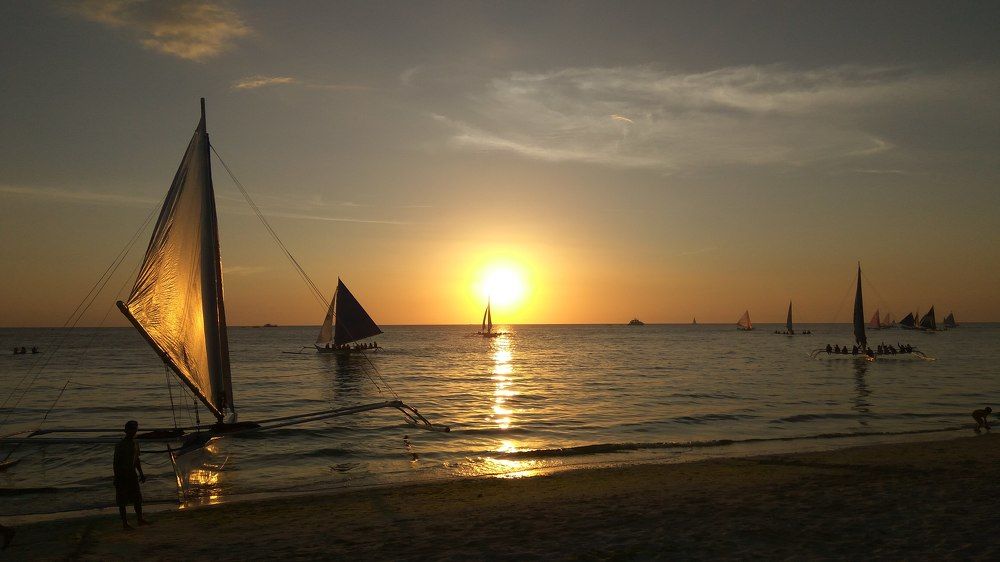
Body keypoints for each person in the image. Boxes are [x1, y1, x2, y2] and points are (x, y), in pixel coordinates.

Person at [113, 420, 149, 530]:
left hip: (132, 473)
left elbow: (137, 460)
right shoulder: (120, 445)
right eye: (131, 429)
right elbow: (116, 463)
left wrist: (141, 473)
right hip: (122, 474)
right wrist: (117, 477)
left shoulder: (135, 443)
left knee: (137, 498)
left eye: (135, 429)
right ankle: (125, 523)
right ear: (126, 431)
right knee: (122, 501)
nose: (133, 431)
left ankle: (140, 519)